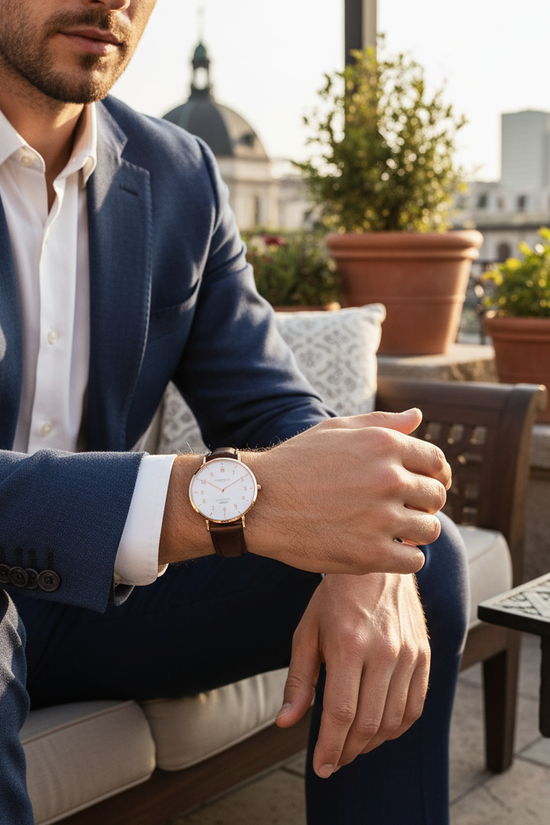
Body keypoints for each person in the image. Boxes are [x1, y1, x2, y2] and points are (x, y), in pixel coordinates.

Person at [0, 1, 469, 823]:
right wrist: (222, 499)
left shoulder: (179, 170)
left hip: (95, 601)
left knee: (418, 554)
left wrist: (360, 534)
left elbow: (267, 401)